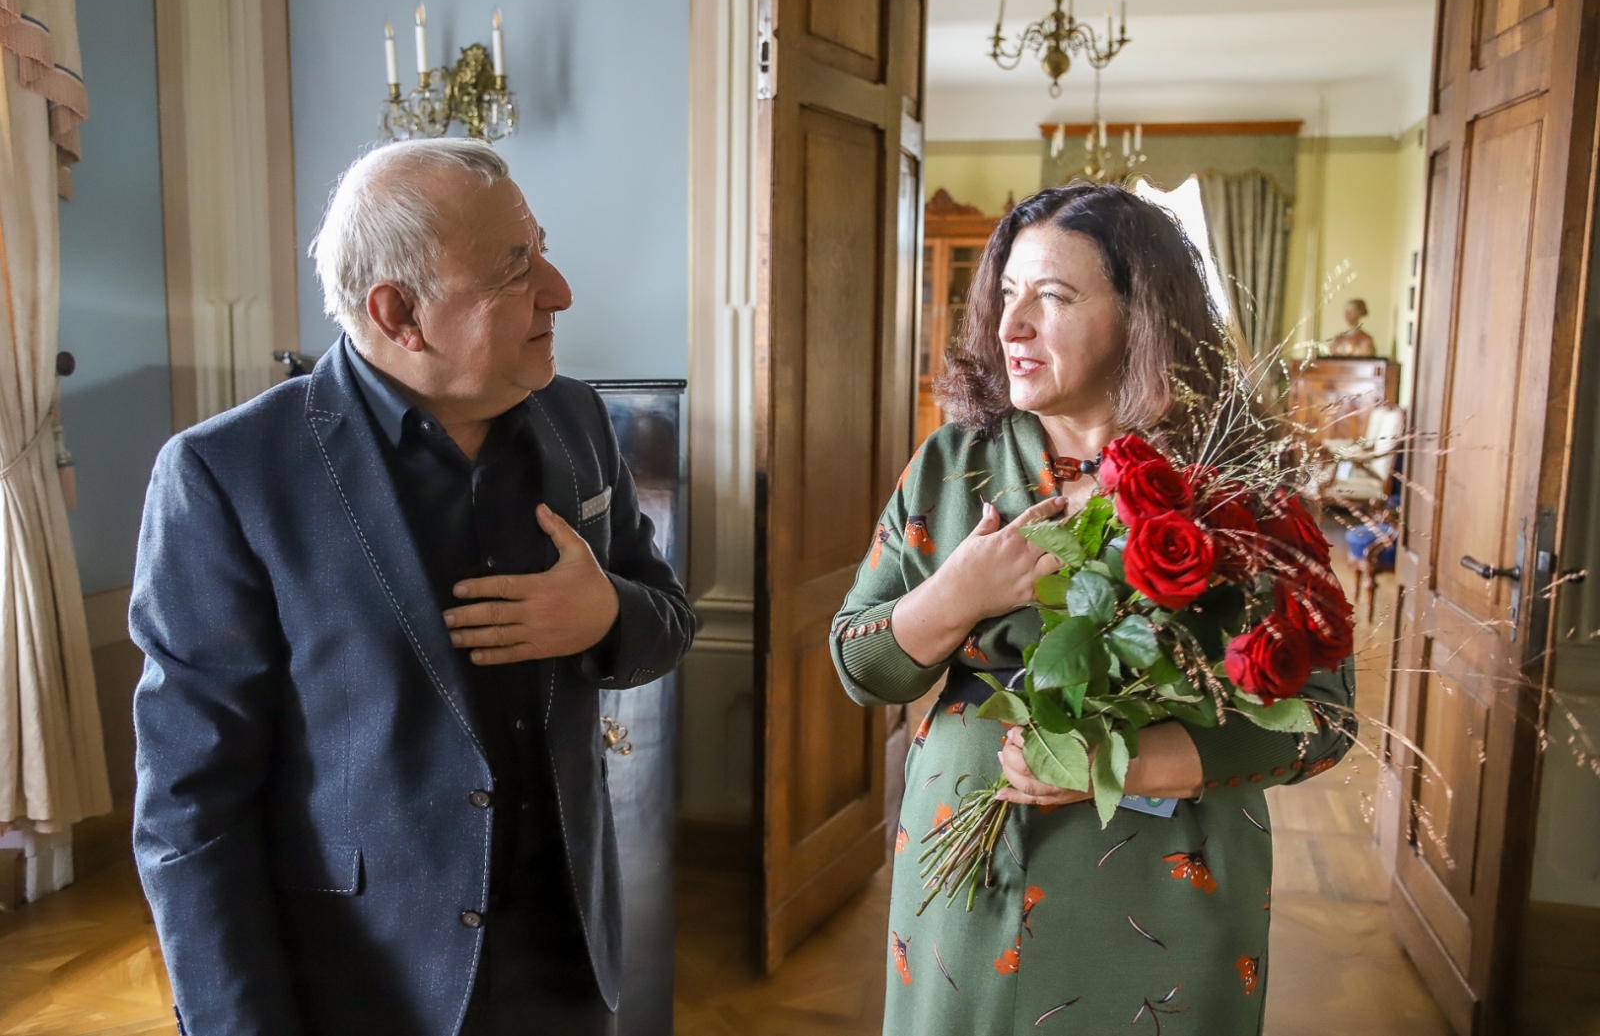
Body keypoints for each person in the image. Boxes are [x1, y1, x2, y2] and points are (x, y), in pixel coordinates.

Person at [130, 139, 695, 1036]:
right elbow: (191, 807)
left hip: (569, 958)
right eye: (516, 268)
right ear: (399, 313)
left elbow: (668, 618)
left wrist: (603, 616)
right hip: (363, 983)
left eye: (542, 250)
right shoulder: (226, 475)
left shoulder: (578, 419)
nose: (559, 290)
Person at [832, 183, 1355, 1035]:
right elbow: (860, 666)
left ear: (1143, 316)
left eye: (1053, 296)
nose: (1011, 325)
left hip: (1165, 889)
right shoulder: (951, 463)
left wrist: (1123, 764)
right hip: (966, 884)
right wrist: (959, 593)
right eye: (1007, 293)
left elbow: (1326, 716)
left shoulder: (1233, 478)